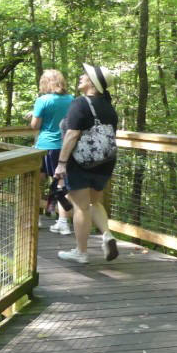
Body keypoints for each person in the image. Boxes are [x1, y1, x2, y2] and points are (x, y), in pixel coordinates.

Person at [54, 63, 119, 264]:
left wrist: (62, 163)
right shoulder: (108, 107)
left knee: (81, 207)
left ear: (92, 82)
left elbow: (72, 134)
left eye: (85, 75)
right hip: (104, 162)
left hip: (80, 163)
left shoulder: (80, 103)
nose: (81, 77)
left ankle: (81, 252)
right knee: (94, 202)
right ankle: (107, 235)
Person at [30, 69, 74, 234]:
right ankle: (63, 222)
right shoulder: (71, 99)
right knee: (62, 184)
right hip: (64, 146)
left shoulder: (42, 100)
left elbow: (35, 125)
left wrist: (33, 117)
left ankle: (36, 218)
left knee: (36, 181)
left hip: (45, 146)